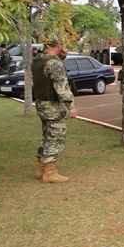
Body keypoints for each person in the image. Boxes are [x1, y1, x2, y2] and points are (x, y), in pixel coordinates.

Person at [31, 39, 77, 183]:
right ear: (58, 46)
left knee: (47, 135)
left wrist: (61, 57)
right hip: (53, 105)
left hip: (41, 103)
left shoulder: (38, 61)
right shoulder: (54, 63)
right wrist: (71, 106)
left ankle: (41, 169)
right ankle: (49, 172)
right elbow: (61, 87)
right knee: (55, 137)